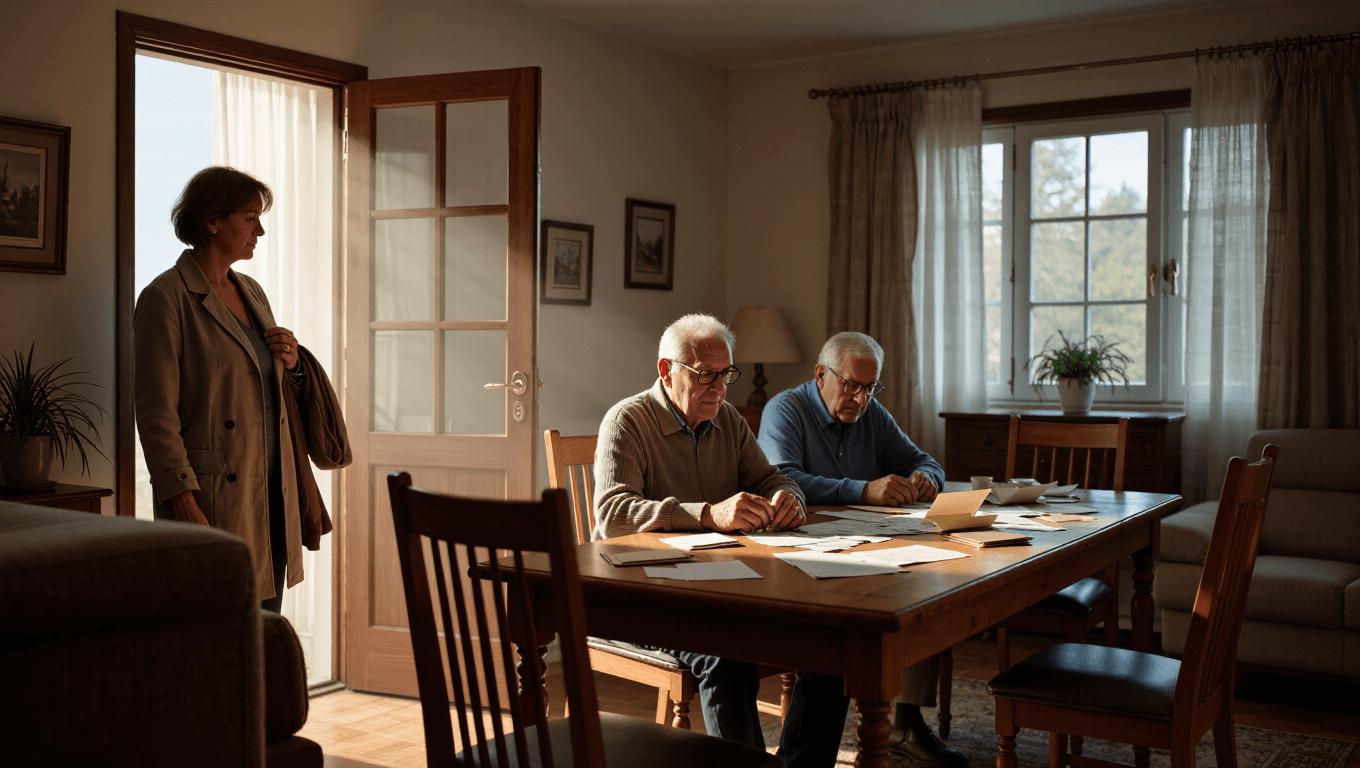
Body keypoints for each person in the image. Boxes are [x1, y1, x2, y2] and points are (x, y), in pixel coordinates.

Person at [594, 314, 846, 768]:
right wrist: (707, 514)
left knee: (835, 641)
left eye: (726, 374)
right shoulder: (627, 420)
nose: (718, 388)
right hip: (642, 596)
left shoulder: (728, 419)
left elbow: (773, 478)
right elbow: (613, 516)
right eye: (704, 374)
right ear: (666, 370)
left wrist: (788, 498)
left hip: (722, 589)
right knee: (725, 653)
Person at [758, 331, 966, 768]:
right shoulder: (785, 409)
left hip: (863, 549)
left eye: (870, 388)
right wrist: (863, 490)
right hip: (801, 557)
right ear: (821, 375)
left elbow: (926, 461)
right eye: (851, 385)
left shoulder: (872, 414)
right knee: (837, 640)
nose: (861, 398)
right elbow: (782, 479)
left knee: (927, 590)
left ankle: (904, 722)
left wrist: (927, 478)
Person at [135, 166, 310, 613]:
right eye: (250, 218)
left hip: (271, 494)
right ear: (212, 221)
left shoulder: (251, 291)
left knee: (262, 631)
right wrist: (183, 504)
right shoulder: (164, 297)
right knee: (214, 635)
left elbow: (262, 389)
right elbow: (156, 417)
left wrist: (291, 361)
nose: (260, 231)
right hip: (211, 501)